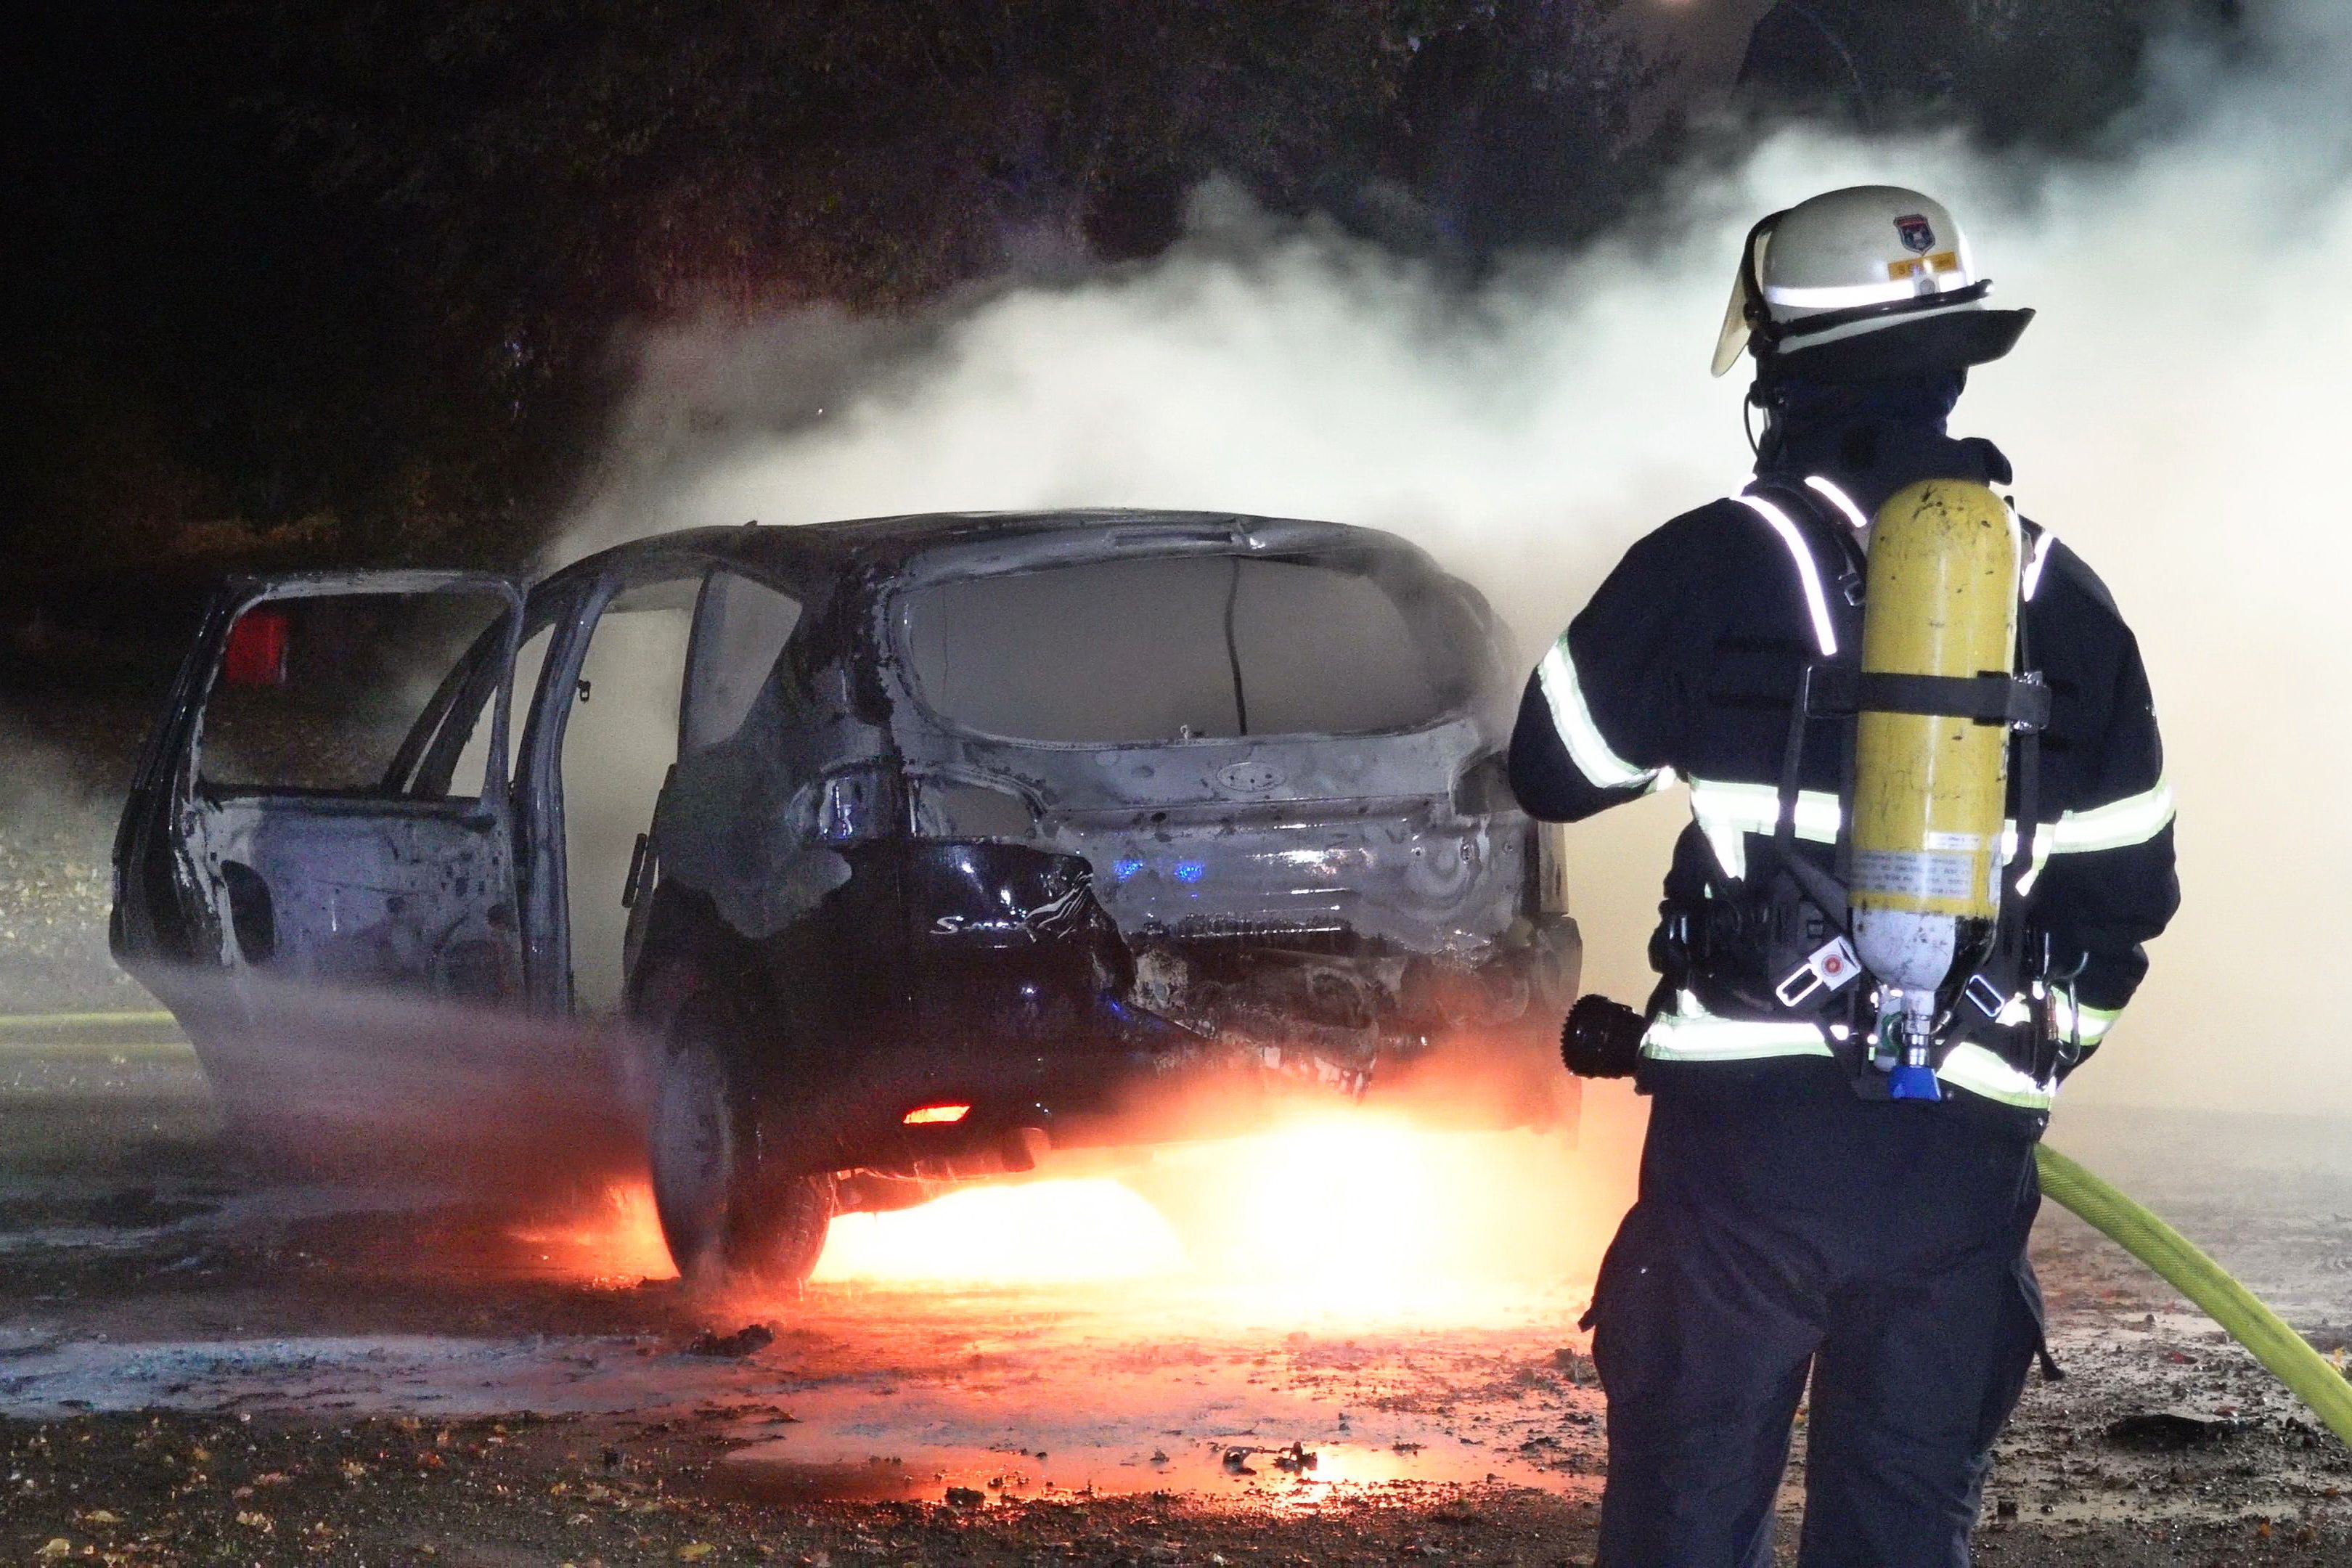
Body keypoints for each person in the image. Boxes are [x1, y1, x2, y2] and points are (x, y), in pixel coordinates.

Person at [1508, 185, 2179, 1565]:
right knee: (1898, 1536)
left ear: (1780, 373)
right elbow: (2128, 894)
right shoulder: (2064, 594)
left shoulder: (1712, 564)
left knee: (1686, 1527)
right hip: (1959, 1164)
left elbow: (1554, 766)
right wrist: (2026, 1057)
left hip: (1746, 1152)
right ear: (1951, 363)